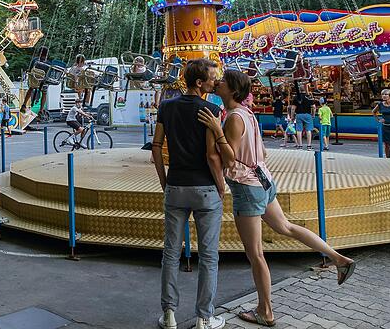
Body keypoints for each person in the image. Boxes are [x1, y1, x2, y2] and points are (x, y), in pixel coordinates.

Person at [197, 70, 356, 327]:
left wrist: (216, 130)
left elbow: (229, 158)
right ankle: (339, 259)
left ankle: (266, 311)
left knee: (256, 253)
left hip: (248, 187)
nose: (218, 83)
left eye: (223, 81)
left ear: (234, 90)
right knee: (286, 227)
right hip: (264, 180)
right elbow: (260, 153)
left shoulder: (233, 118)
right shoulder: (247, 114)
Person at [152, 59, 225, 329]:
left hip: (176, 186)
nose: (215, 82)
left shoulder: (166, 107)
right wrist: (220, 184)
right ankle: (204, 317)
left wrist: (164, 181)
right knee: (209, 255)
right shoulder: (211, 110)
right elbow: (212, 154)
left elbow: (156, 147)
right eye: (212, 78)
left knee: (171, 252)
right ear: (199, 83)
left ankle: (169, 313)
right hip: (205, 188)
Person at [291, 86, 316, 151]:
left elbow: (293, 108)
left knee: (299, 130)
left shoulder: (296, 97)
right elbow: (313, 107)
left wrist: (292, 116)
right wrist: (313, 114)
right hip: (307, 115)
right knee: (308, 130)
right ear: (305, 89)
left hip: (299, 115)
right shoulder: (309, 97)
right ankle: (309, 146)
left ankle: (300, 146)